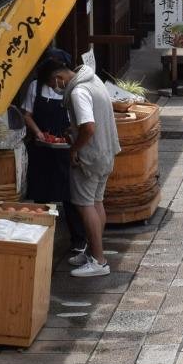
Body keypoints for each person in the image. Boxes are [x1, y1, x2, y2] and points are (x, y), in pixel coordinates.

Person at [50, 59, 121, 277]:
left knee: (84, 205)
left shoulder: (78, 91)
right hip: (106, 151)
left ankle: (99, 261)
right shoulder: (93, 78)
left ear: (58, 78)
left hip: (90, 157)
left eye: (52, 84)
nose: (54, 88)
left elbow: (88, 127)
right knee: (96, 202)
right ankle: (93, 253)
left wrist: (74, 149)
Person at [15, 51, 87, 256]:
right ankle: (40, 238)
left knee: (69, 194)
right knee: (41, 193)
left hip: (66, 148)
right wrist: (38, 133)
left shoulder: (74, 89)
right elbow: (27, 114)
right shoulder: (35, 87)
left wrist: (71, 140)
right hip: (42, 148)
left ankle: (79, 240)